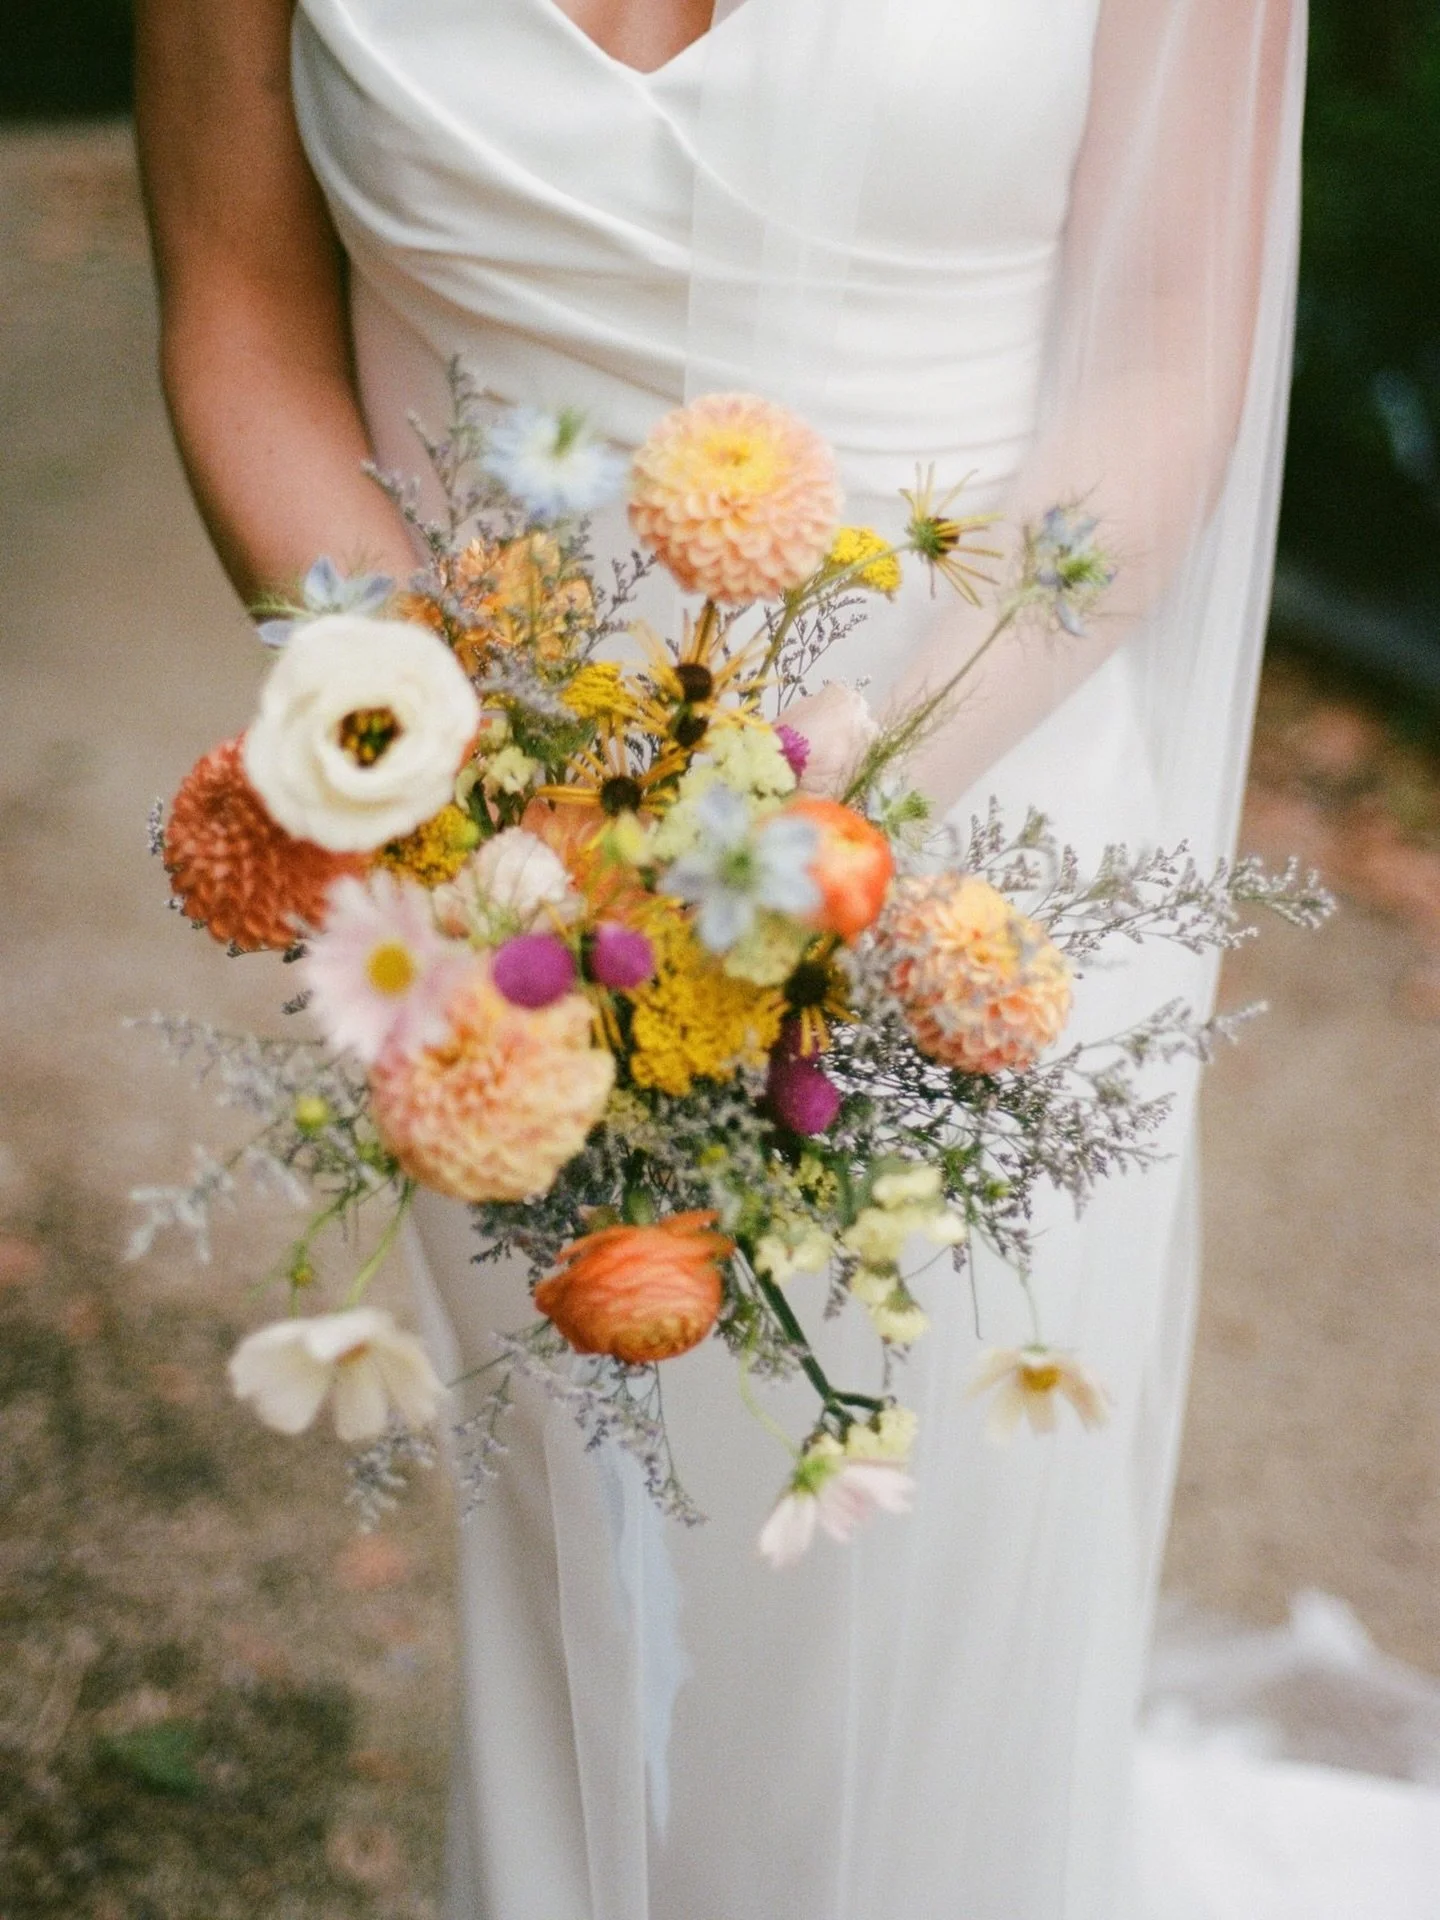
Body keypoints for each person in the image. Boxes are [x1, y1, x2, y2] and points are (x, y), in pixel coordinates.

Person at [135, 2, 1304, 1914]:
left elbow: (1165, 372)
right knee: (595, 1588)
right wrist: (456, 774)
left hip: (972, 853)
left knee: (923, 1624)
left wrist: (844, 790)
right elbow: (241, 317)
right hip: (499, 906)